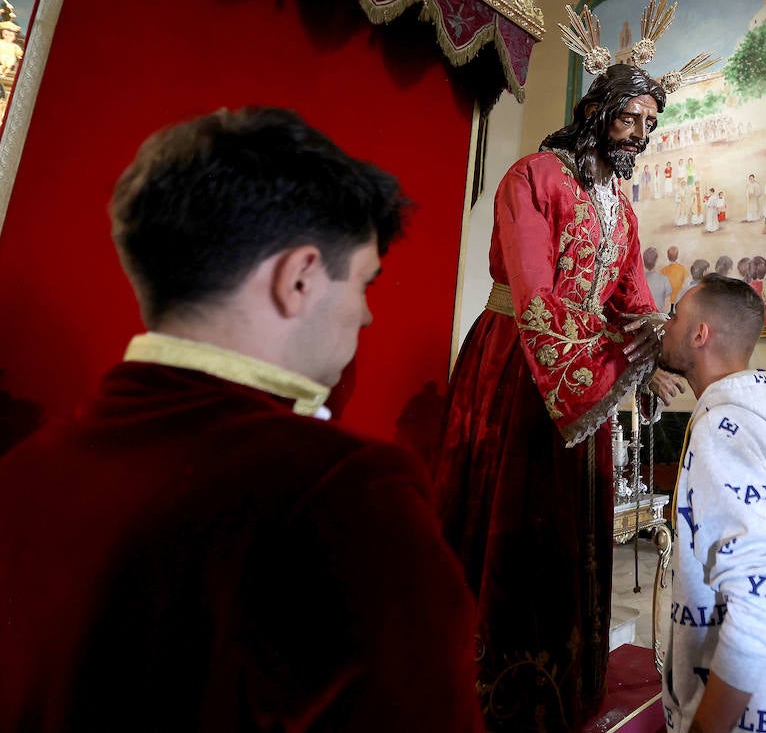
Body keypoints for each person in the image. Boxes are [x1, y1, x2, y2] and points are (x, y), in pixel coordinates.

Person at [0, 107, 482, 731]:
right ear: (300, 279)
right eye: (364, 282)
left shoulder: (23, 469)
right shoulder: (347, 492)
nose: (365, 317)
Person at [435, 61, 682, 730]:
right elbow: (536, 294)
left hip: (586, 384)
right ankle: (490, 683)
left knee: (568, 521)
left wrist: (656, 350)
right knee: (509, 514)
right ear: (596, 111)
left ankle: (564, 677)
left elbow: (633, 301)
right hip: (516, 363)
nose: (638, 133)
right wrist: (606, 360)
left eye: (650, 124)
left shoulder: (622, 211)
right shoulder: (533, 178)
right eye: (630, 118)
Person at [657, 275, 766, 732]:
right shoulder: (761, 415)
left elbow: (759, 600)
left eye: (674, 315)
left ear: (700, 334)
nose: (665, 325)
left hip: (748, 710)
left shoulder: (722, 430)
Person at [644, 246, 674, 312]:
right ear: (656, 261)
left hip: (643, 319)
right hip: (660, 318)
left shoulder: (639, 280)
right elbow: (668, 304)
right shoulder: (664, 280)